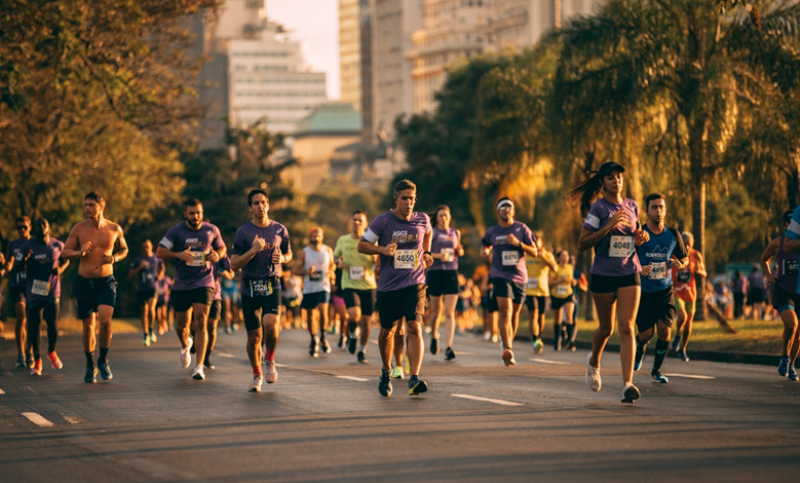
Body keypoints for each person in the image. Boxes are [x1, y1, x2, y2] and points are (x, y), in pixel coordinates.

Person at [569, 162, 649, 404]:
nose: (616, 181)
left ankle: (627, 384)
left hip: (628, 272)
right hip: (603, 274)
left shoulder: (632, 205)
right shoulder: (598, 208)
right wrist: (608, 225)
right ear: (603, 182)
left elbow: (634, 237)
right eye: (611, 178)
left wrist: (641, 237)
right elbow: (583, 243)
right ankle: (593, 363)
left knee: (626, 326)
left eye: (619, 177)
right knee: (606, 329)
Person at [358, 179, 433, 397]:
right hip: (389, 287)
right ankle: (385, 370)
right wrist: (382, 249)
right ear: (396, 199)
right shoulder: (383, 221)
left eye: (411, 198)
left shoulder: (422, 220)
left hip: (415, 283)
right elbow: (362, 245)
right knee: (387, 331)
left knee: (414, 327)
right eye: (404, 198)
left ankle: (415, 378)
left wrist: (426, 253)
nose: (408, 202)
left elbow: (428, 233)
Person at [156, 198, 226, 381]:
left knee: (201, 321)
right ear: (185, 214)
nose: (196, 216)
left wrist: (217, 254)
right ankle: (186, 343)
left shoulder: (212, 230)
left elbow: (222, 247)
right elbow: (160, 251)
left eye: (199, 213)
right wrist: (178, 254)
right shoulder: (176, 231)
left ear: (202, 213)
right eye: (192, 213)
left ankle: (199, 366)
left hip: (204, 282)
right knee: (182, 326)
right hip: (181, 284)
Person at [63, 191, 129, 383]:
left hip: (106, 281)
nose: (87, 208)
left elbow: (124, 248)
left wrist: (115, 257)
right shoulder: (79, 229)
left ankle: (103, 360)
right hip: (84, 282)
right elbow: (66, 253)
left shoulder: (115, 228)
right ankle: (90, 364)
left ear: (101, 206)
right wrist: (79, 252)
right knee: (88, 326)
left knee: (106, 321)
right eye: (85, 205)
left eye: (91, 205)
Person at [230, 189, 292, 392]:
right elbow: (233, 264)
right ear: (250, 207)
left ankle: (269, 360)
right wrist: (253, 249)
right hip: (249, 288)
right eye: (256, 203)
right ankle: (256, 375)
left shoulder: (280, 230)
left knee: (272, 325)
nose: (260, 206)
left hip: (272, 285)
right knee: (254, 337)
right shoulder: (243, 232)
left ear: (268, 204)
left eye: (263, 202)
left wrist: (283, 259)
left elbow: (289, 253)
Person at [632, 194, 688, 383]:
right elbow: (625, 257)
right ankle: (640, 348)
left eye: (661, 207)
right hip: (643, 292)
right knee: (646, 334)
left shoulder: (673, 234)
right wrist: (640, 268)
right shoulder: (640, 234)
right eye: (654, 207)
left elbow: (684, 257)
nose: (658, 211)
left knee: (665, 331)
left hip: (665, 291)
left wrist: (680, 263)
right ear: (647, 210)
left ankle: (656, 370)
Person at [481, 198, 538, 367]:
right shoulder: (492, 231)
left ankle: (506, 341)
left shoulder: (522, 228)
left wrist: (519, 243)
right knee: (505, 311)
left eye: (509, 207)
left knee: (515, 313)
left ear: (513, 211)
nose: (506, 210)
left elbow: (535, 251)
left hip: (520, 277)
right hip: (499, 274)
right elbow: (484, 247)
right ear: (497, 211)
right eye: (502, 207)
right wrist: (484, 253)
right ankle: (508, 348)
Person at [16, 219, 69, 375]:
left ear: (49, 227)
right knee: (35, 326)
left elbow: (66, 260)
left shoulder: (58, 244)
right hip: (34, 290)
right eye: (38, 224)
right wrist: (24, 258)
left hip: (52, 289)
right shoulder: (27, 245)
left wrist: (60, 269)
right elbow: (17, 266)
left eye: (44, 224)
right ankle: (37, 361)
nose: (41, 227)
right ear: (35, 229)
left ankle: (51, 351)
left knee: (53, 326)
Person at [760, 210, 800, 380]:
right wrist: (769, 276)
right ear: (786, 225)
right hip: (783, 289)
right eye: (791, 223)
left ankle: (791, 364)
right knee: (791, 325)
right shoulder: (777, 243)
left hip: (799, 289)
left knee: (799, 333)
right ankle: (784, 356)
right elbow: (763, 259)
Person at [334, 210, 378, 363]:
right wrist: (338, 263)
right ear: (350, 222)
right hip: (349, 284)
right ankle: (352, 335)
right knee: (354, 315)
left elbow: (379, 260)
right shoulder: (343, 240)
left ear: (366, 224)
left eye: (360, 220)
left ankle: (362, 350)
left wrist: (375, 257)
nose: (357, 222)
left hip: (368, 285)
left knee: (366, 322)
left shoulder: (372, 240)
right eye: (354, 219)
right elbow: (335, 257)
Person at [425, 205, 464, 361]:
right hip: (435, 273)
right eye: (440, 216)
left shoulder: (455, 232)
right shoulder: (432, 232)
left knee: (449, 312)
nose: (443, 218)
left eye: (445, 216)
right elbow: (425, 253)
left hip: (451, 272)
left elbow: (458, 250)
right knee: (436, 312)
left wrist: (460, 251)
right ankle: (434, 335)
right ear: (437, 218)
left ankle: (449, 347)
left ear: (450, 217)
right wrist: (438, 255)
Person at [295, 227, 336, 357]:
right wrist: (306, 272)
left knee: (323, 310)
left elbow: (332, 265)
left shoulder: (327, 250)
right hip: (308, 289)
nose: (316, 237)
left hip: (323, 287)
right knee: (311, 317)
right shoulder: (305, 252)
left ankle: (323, 337)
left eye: (318, 235)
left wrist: (331, 271)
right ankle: (314, 339)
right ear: (310, 237)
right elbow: (296, 270)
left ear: (322, 237)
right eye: (313, 235)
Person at [671, 232, 707, 361]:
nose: (686, 248)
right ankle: (676, 337)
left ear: (693, 244)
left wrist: (699, 271)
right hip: (677, 291)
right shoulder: (674, 253)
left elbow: (704, 273)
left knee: (688, 325)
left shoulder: (696, 255)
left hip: (691, 293)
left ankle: (682, 349)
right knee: (683, 317)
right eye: (684, 245)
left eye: (689, 246)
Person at [7, 216, 33, 368]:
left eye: (24, 227)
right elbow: (9, 263)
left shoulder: (36, 243)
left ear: (30, 227)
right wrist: (6, 268)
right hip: (17, 285)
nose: (22, 230)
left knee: (31, 320)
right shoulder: (13, 244)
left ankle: (29, 352)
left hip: (33, 286)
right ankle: (20, 354)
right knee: (21, 316)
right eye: (19, 227)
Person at [525, 234, 557, 354]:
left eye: (537, 244)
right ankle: (535, 339)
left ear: (541, 244)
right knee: (534, 314)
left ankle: (539, 335)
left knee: (541, 316)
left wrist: (543, 257)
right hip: (530, 290)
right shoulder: (526, 255)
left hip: (543, 290)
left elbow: (555, 268)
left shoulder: (547, 254)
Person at [129, 240, 163, 346]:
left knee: (151, 308)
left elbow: (162, 267)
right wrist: (140, 267)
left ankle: (151, 329)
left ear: (151, 246)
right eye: (144, 247)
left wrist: (160, 276)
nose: (146, 248)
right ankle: (146, 334)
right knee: (144, 311)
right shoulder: (138, 259)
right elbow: (130, 274)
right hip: (142, 288)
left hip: (153, 287)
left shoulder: (156, 258)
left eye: (147, 246)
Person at [204, 254, 233, 369]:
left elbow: (231, 273)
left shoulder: (220, 253)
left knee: (212, 326)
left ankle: (206, 358)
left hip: (215, 294)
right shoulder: (197, 247)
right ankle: (193, 341)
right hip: (198, 292)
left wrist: (227, 274)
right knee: (196, 326)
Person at [548, 250, 576, 352]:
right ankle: (556, 341)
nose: (565, 257)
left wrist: (573, 281)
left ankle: (570, 341)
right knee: (557, 321)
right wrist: (560, 280)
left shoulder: (570, 267)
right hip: (556, 295)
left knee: (569, 317)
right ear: (559, 258)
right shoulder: (555, 268)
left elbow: (571, 279)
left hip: (567, 294)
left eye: (567, 255)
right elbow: (550, 283)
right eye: (563, 255)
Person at [221, 266, 240, 333]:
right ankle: (227, 325)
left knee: (234, 308)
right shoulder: (222, 265)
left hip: (234, 290)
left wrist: (232, 277)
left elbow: (240, 277)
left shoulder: (235, 265)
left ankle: (234, 322)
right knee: (227, 308)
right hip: (225, 290)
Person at [155, 263, 173, 335]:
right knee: (158, 312)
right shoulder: (155, 278)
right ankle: (160, 325)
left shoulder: (166, 279)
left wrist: (168, 292)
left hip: (164, 298)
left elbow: (172, 287)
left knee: (163, 311)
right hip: (156, 298)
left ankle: (164, 323)